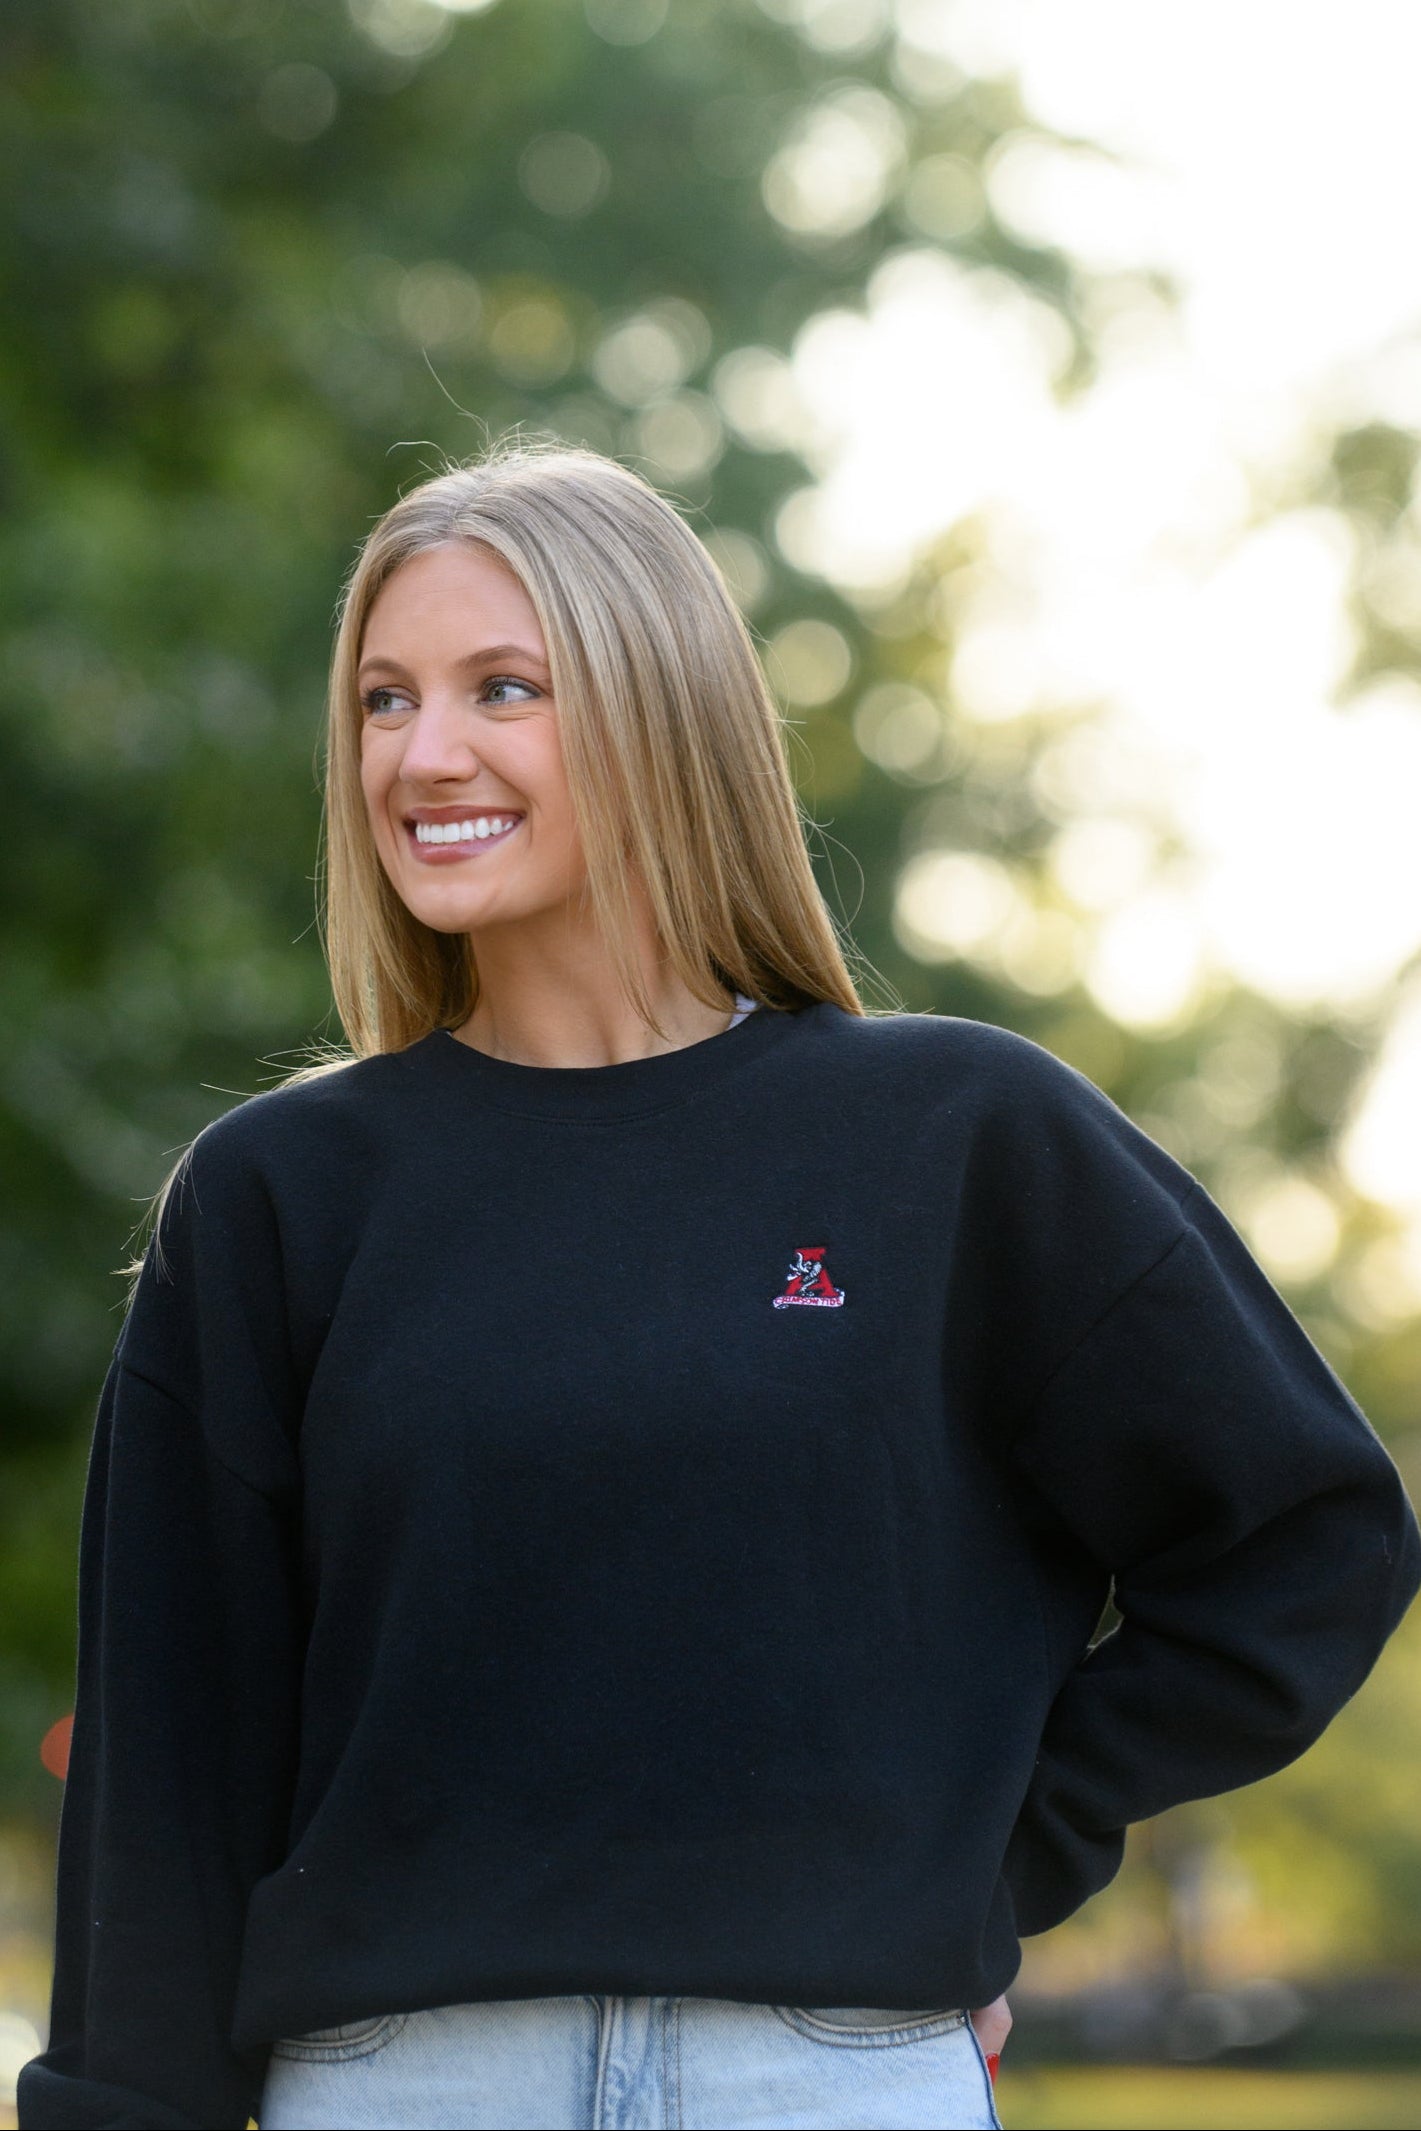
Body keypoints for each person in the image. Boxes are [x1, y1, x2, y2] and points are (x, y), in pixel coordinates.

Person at [17, 439, 1421, 2131]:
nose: (424, 753)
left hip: (829, 2082)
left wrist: (977, 1857)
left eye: (502, 687)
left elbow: (1306, 1542)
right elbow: (172, 1765)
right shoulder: (279, 1202)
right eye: (384, 701)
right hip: (404, 2091)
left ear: (657, 710)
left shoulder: (957, 1139)